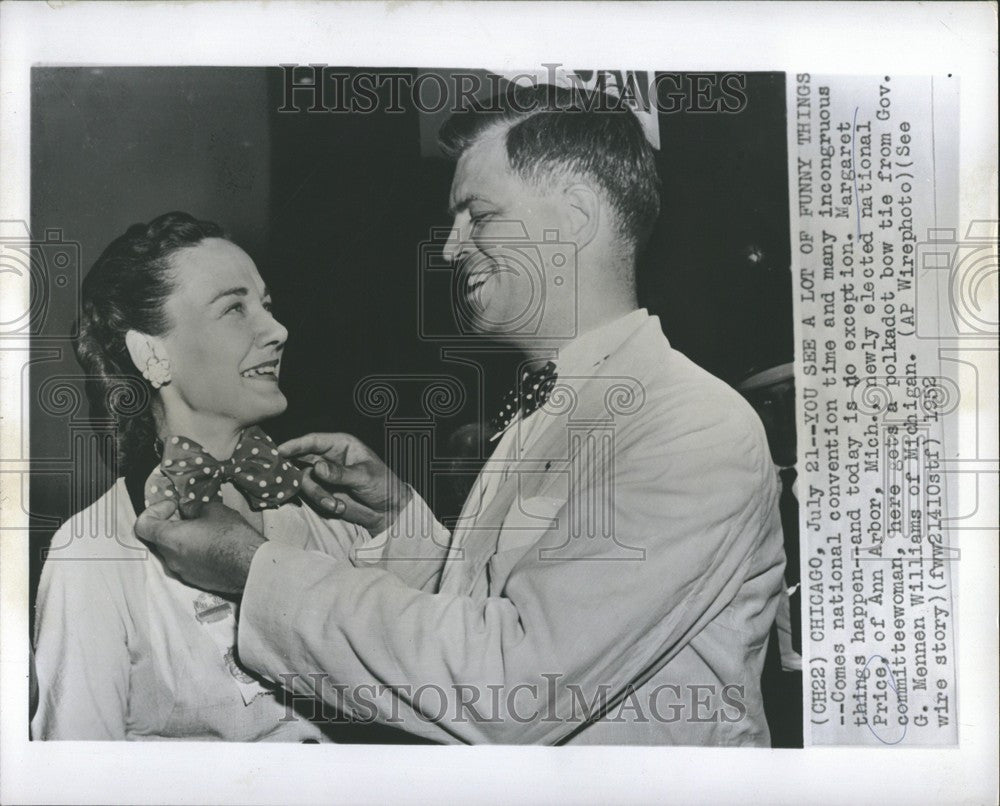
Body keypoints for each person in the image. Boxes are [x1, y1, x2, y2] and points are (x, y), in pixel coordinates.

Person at [136, 85, 786, 745]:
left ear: (579, 216)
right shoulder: (558, 402)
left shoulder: (693, 427)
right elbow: (516, 611)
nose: (451, 248)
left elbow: (512, 688)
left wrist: (253, 565)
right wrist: (399, 525)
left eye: (478, 214)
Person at [31, 212, 411, 741]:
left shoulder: (329, 507)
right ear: (152, 354)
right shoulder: (91, 554)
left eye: (267, 305)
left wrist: (398, 520)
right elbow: (73, 782)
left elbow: (447, 664)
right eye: (235, 308)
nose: (277, 331)